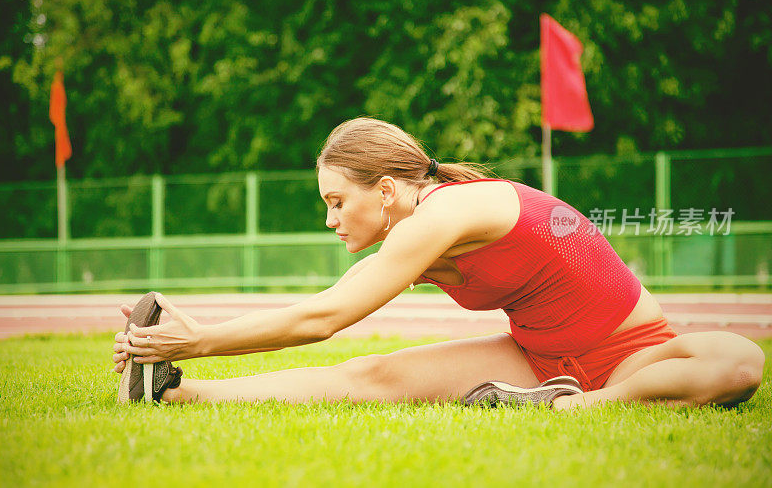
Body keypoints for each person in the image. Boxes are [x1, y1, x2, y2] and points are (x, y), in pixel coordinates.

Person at [112, 117, 765, 409]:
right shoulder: (415, 229)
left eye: (338, 201)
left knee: (741, 362)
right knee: (372, 375)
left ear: (387, 191)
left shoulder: (446, 213)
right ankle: (172, 390)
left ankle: (586, 406)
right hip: (536, 360)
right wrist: (178, 342)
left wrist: (198, 337)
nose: (332, 218)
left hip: (631, 353)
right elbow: (318, 309)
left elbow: (324, 317)